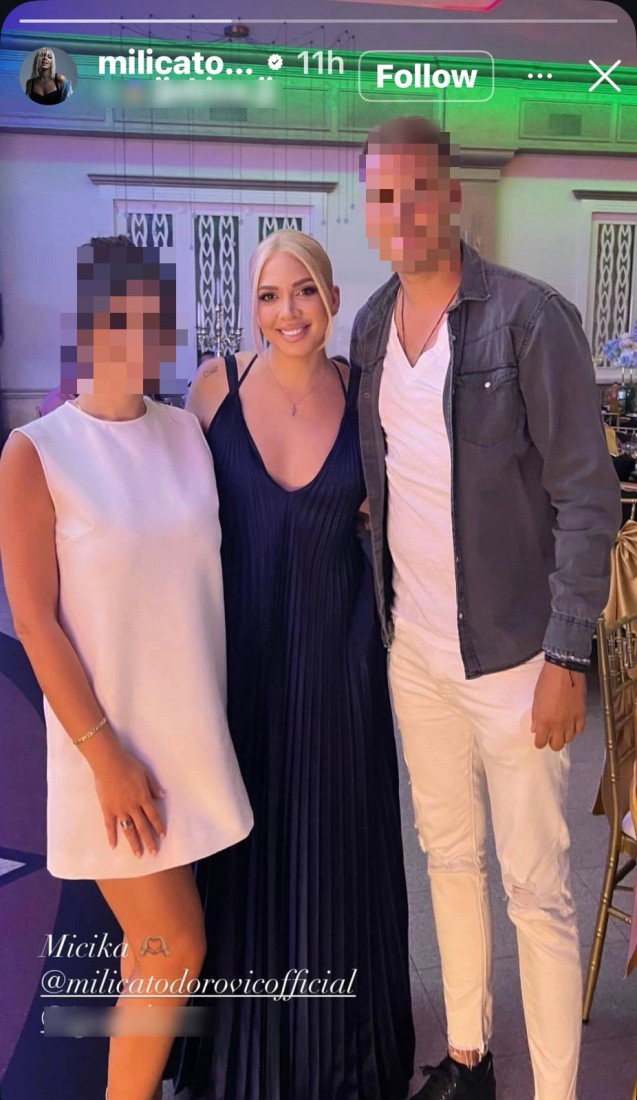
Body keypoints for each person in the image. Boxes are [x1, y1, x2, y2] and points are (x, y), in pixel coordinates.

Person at [351, 117, 621, 1100]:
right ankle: (467, 1058)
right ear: (368, 210)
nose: (402, 212)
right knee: (448, 857)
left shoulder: (528, 318)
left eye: (417, 190)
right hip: (416, 651)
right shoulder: (371, 328)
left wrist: (566, 655)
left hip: (516, 660)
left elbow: (586, 497)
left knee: (535, 888)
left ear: (452, 196)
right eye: (383, 196)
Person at [0, 235, 253, 1100]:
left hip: (190, 736)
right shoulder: (37, 451)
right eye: (118, 317)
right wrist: (105, 756)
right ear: (85, 322)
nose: (137, 337)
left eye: (153, 320)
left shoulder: (186, 433)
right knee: (174, 947)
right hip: (107, 751)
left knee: (155, 956)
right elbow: (36, 621)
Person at [173, 229, 415, 1100]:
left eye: (305, 290)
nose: (289, 311)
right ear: (252, 308)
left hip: (339, 669)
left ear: (333, 299)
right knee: (241, 858)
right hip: (239, 671)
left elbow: (412, 503)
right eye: (271, 295)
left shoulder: (364, 393)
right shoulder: (214, 389)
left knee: (334, 860)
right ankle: (240, 1057)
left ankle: (338, 1055)